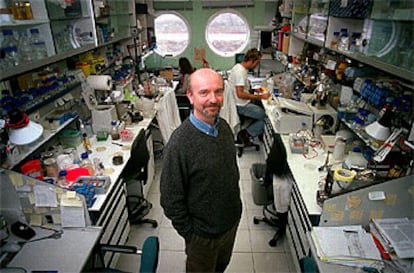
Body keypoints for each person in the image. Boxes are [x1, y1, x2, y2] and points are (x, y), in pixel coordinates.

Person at [160, 68, 242, 273]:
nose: (213, 99)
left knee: (221, 267)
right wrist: (192, 235)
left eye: (218, 91)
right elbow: (170, 199)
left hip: (230, 224)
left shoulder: (223, 127)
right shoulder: (179, 144)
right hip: (203, 237)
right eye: (204, 92)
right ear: (190, 95)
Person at [227, 48, 271, 145]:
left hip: (240, 101)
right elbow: (240, 94)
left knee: (261, 106)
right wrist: (260, 97)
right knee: (266, 117)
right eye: (257, 62)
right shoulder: (240, 72)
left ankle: (255, 130)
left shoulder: (239, 67)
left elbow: (242, 89)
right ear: (252, 61)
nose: (257, 65)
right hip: (241, 105)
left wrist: (254, 90)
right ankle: (246, 134)